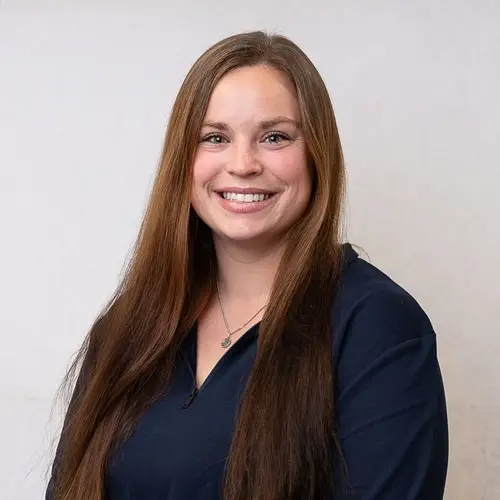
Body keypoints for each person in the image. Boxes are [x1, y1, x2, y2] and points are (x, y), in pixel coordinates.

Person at [46, 30, 448, 500]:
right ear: (183, 160)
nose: (242, 164)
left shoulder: (377, 326)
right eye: (214, 138)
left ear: (317, 153)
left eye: (274, 137)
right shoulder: (128, 327)